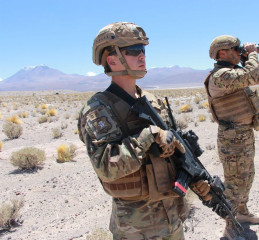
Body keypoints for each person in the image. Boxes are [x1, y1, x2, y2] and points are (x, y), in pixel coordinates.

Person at [77, 22, 212, 240]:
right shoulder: (98, 109)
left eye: (143, 50)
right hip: (136, 228)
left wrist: (194, 176)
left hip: (173, 219)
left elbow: (173, 153)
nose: (142, 56)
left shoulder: (153, 101)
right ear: (112, 60)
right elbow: (105, 167)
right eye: (133, 51)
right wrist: (148, 135)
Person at [204, 35, 259, 238]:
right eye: (236, 48)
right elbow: (253, 75)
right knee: (234, 184)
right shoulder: (220, 76)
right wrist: (252, 55)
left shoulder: (235, 72)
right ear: (222, 52)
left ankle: (242, 212)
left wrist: (249, 56)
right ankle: (230, 228)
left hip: (244, 135)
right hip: (232, 140)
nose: (240, 51)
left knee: (247, 177)